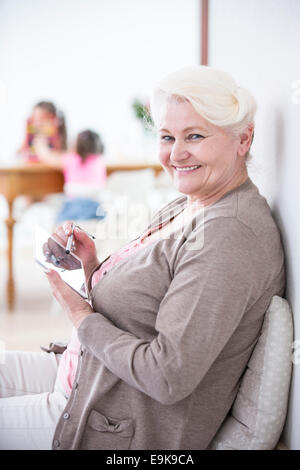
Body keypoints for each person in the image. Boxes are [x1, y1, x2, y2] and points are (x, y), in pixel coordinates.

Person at [0, 66, 285, 450]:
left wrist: (81, 317)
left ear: (243, 138)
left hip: (109, 421)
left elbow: (168, 376)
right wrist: (91, 264)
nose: (176, 153)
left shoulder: (229, 234)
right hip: (86, 374)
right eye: (167, 136)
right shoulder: (189, 204)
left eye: (195, 136)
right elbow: (146, 304)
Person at [35, 129, 107, 222]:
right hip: (96, 207)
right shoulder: (99, 161)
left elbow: (46, 156)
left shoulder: (70, 160)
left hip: (74, 205)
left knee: (60, 225)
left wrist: (40, 144)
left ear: (76, 146)